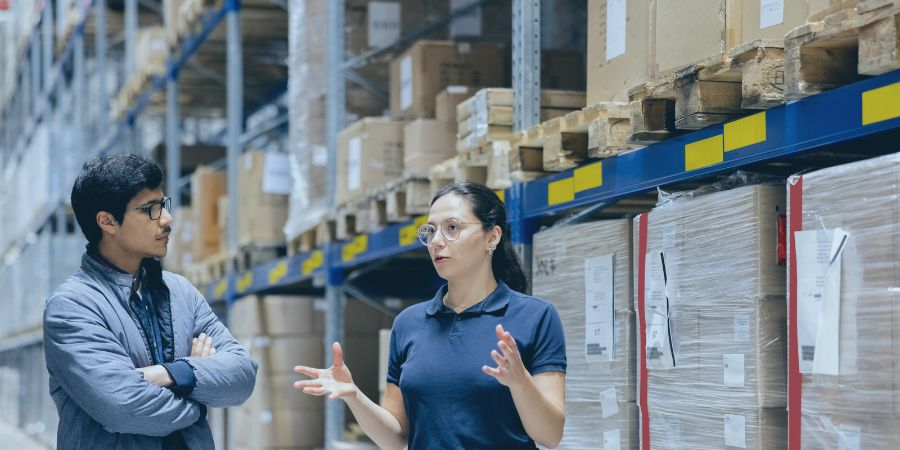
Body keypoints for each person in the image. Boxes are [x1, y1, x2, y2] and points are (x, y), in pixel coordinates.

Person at [294, 181, 567, 449]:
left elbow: (550, 435)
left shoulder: (535, 316)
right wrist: (354, 396)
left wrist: (520, 382)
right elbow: (396, 438)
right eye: (431, 231)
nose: (436, 241)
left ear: (492, 237)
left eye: (452, 228)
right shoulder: (409, 323)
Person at [43, 154, 258, 449]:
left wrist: (168, 373)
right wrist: (198, 394)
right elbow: (123, 407)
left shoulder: (181, 292)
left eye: (164, 205)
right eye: (150, 210)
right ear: (107, 221)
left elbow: (242, 375)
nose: (167, 219)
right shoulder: (72, 307)